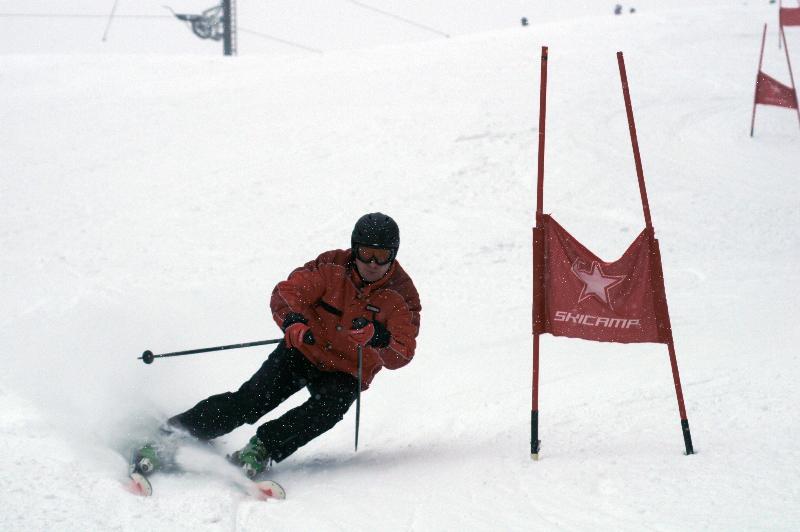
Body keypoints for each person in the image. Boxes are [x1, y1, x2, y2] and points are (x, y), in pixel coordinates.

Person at [134, 212, 421, 478]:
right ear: (354, 249)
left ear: (393, 256)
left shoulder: (401, 295)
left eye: (381, 256)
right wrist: (293, 322)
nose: (372, 263)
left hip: (345, 370)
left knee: (327, 410)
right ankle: (172, 434)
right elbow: (288, 292)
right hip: (304, 351)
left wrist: (378, 338)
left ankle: (263, 448)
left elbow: (402, 353)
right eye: (366, 253)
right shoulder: (331, 267)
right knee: (251, 401)